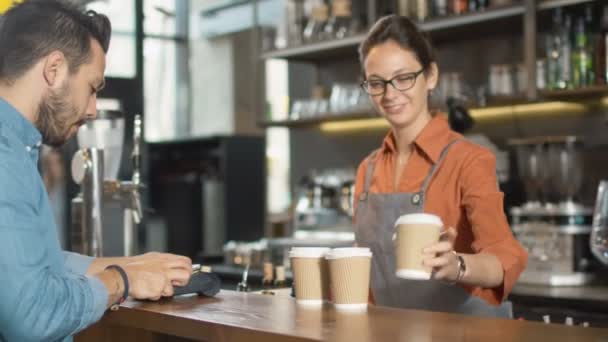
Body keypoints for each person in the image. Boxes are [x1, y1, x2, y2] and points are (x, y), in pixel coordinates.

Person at [0, 1, 192, 341]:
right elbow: (31, 315)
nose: (92, 110)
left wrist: (127, 265)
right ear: (54, 69)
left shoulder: (16, 147)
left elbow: (23, 264)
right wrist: (121, 280)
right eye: (92, 87)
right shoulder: (4, 156)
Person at [353, 15, 528, 318]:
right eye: (376, 83)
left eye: (404, 77)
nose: (390, 94)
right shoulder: (367, 171)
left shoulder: (469, 160)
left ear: (431, 76)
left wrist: (456, 265)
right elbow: (368, 281)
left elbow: (503, 256)